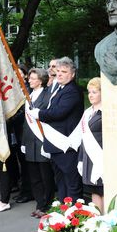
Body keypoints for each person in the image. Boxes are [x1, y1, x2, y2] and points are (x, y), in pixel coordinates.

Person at [27, 56, 84, 201]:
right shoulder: (60, 88)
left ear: (72, 74)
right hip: (56, 144)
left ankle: (75, 214)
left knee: (72, 183)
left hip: (66, 144)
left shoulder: (72, 90)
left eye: (64, 71)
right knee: (61, 182)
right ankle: (64, 211)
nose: (59, 74)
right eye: (58, 71)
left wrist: (39, 113)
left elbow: (58, 113)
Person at [22, 68, 54, 218]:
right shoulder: (29, 95)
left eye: (33, 78)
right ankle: (39, 203)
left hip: (42, 139)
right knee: (34, 176)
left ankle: (46, 204)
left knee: (45, 175)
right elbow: (25, 121)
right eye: (30, 78)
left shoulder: (47, 95)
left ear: (40, 80)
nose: (30, 80)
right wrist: (23, 141)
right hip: (30, 140)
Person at [77, 77, 104, 211]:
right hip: (88, 158)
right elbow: (83, 138)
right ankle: (98, 220)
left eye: (94, 92)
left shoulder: (106, 113)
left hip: (101, 158)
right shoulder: (88, 113)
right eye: (89, 92)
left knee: (102, 189)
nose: (91, 95)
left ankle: (106, 219)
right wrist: (81, 159)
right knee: (94, 190)